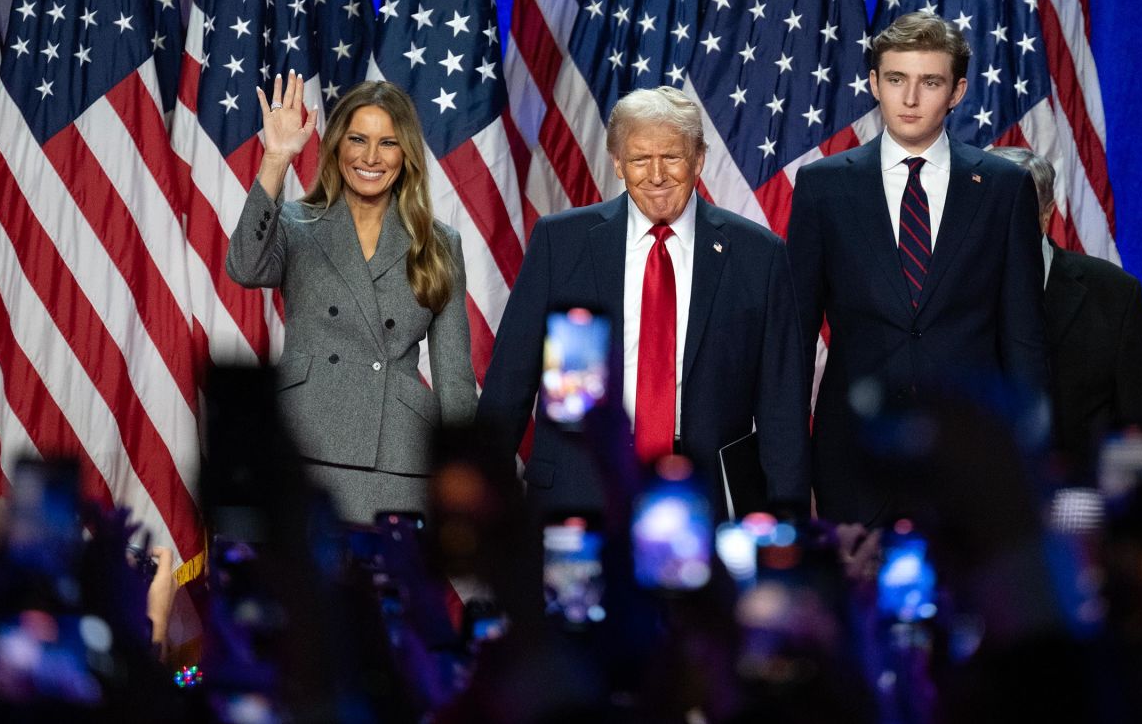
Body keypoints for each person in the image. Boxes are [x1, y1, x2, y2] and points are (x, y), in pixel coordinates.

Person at [477, 86, 809, 516]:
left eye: (671, 156)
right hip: (579, 492)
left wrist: (788, 528)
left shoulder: (758, 256)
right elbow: (510, 382)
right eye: (638, 159)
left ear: (699, 158)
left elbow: (782, 409)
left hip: (701, 497)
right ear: (617, 163)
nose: (656, 174)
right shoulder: (561, 243)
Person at [786, 12, 1048, 524]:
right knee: (856, 601)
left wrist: (1028, 458)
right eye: (896, 80)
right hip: (854, 453)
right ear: (874, 84)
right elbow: (795, 334)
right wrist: (789, 461)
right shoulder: (823, 186)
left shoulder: (1002, 187)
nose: (910, 99)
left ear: (956, 91)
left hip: (971, 453)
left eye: (929, 82)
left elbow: (1023, 338)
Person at [226, 73, 477, 523]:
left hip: (398, 458)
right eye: (358, 139)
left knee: (385, 592)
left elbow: (455, 380)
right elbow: (244, 267)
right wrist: (276, 158)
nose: (370, 157)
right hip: (302, 443)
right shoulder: (295, 224)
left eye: (388, 143)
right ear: (337, 145)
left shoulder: (439, 244)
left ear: (407, 155)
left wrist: (463, 475)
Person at [990, 146, 1142, 483]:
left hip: (1076, 509)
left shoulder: (1113, 293)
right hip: (968, 512)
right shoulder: (941, 288)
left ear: (1045, 214)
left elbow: (1136, 430)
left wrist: (1129, 526)